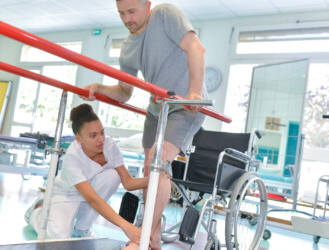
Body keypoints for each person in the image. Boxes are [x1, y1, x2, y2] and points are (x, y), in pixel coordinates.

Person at [82, 0, 207, 249]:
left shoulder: (165, 14)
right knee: (151, 170)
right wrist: (98, 88)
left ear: (147, 5)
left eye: (132, 11)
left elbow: (196, 48)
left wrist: (194, 93)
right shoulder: (128, 47)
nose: (127, 18)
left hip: (184, 106)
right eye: (121, 14)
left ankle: (143, 235)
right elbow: (124, 92)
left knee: (158, 166)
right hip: (156, 110)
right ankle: (154, 239)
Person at [24, 103, 150, 247]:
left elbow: (127, 182)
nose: (101, 139)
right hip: (66, 194)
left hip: (91, 190)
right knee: (58, 237)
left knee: (113, 176)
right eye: (93, 136)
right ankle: (35, 213)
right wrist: (126, 226)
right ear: (79, 139)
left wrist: (156, 179)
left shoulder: (109, 145)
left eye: (102, 133)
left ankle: (82, 228)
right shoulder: (73, 156)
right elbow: (93, 199)